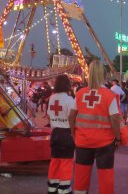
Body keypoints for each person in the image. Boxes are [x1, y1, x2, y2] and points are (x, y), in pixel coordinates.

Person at [69, 60, 121, 194]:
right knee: (105, 176)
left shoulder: (80, 93)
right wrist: (118, 137)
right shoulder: (109, 95)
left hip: (83, 142)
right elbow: (115, 118)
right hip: (104, 143)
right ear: (103, 74)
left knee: (81, 175)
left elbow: (71, 116)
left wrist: (74, 134)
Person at [46, 75, 75, 194]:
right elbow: (72, 119)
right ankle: (64, 188)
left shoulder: (52, 98)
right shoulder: (69, 100)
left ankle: (52, 186)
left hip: (55, 133)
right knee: (66, 161)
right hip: (66, 133)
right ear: (67, 85)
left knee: (55, 160)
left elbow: (48, 115)